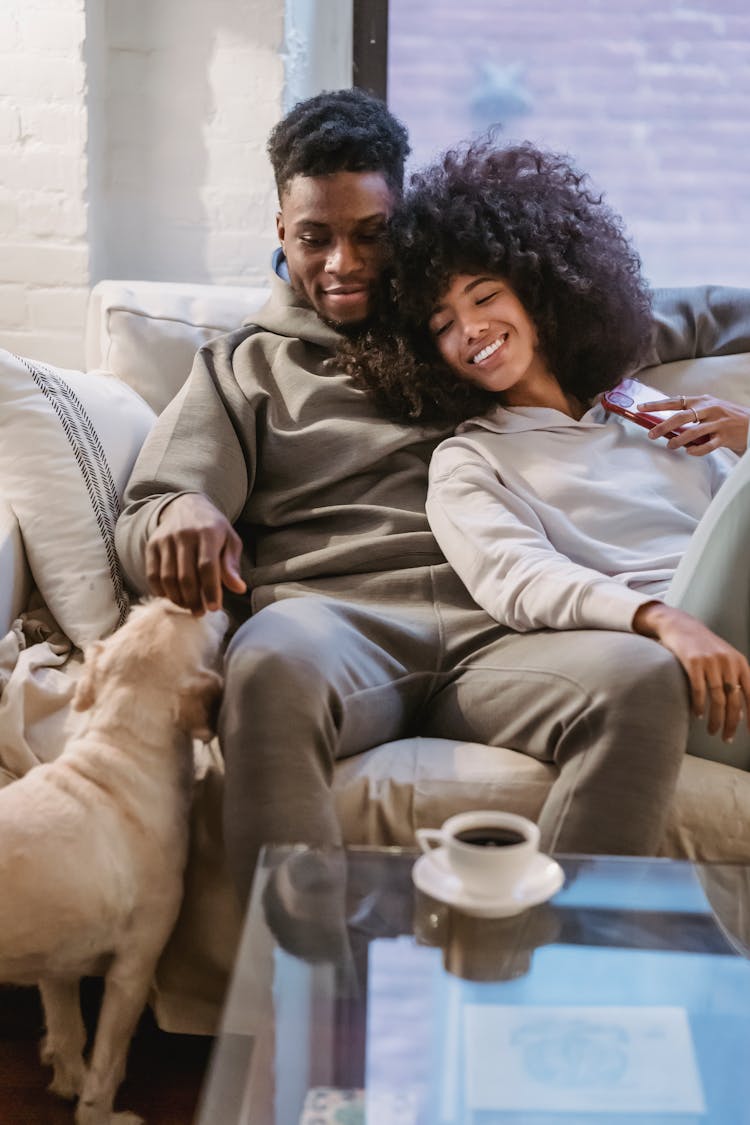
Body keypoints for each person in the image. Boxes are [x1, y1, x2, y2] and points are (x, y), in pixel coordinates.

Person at [115, 89, 749, 906]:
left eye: (369, 235)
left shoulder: (469, 322)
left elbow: (669, 313)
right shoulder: (243, 367)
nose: (342, 262)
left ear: (401, 219)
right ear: (281, 231)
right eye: (315, 237)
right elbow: (150, 508)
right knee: (269, 663)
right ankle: (300, 997)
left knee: (639, 677)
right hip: (341, 620)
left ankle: (555, 978)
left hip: (505, 632)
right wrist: (181, 513)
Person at [345, 138, 750, 771]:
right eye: (442, 324)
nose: (470, 329)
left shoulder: (642, 407)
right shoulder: (470, 461)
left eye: (484, 297)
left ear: (536, 289)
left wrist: (746, 441)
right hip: (680, 658)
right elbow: (522, 581)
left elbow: (733, 527)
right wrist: (662, 621)